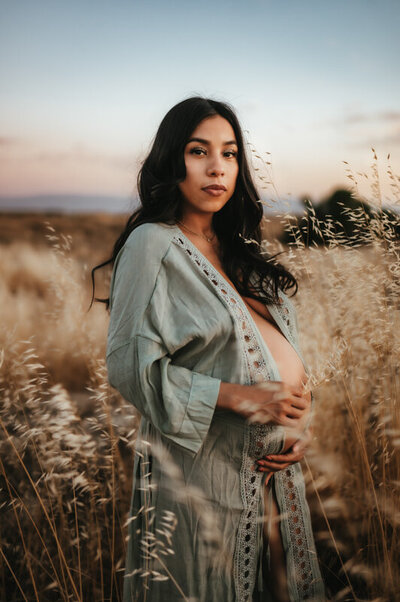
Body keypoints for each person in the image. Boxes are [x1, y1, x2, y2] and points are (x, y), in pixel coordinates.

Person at [93, 96, 325, 601]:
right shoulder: (153, 245)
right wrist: (241, 398)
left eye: (231, 153)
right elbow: (130, 366)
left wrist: (298, 421)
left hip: (277, 483)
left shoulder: (239, 251)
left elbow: (273, 357)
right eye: (199, 151)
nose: (217, 167)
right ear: (171, 160)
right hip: (206, 484)